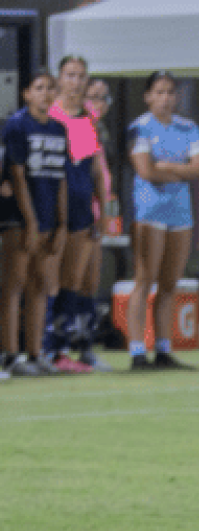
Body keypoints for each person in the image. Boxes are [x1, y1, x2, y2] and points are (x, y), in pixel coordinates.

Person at [126, 71, 199, 371]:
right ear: (148, 96)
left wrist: (170, 167)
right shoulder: (140, 127)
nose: (165, 98)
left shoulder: (188, 127)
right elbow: (146, 171)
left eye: (170, 92)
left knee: (169, 284)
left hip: (180, 213)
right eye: (159, 92)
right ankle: (137, 351)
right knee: (144, 280)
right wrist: (181, 169)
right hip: (150, 212)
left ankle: (163, 350)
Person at [45, 55, 110, 374]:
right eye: (70, 75)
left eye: (81, 76)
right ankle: (46, 350)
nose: (76, 81)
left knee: (76, 281)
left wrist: (103, 207)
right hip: (53, 209)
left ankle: (69, 348)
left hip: (82, 209)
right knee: (49, 280)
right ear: (60, 79)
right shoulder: (49, 115)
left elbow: (93, 169)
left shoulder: (87, 119)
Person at [2, 72, 67, 377]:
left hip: (49, 217)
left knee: (40, 285)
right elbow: (17, 174)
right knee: (14, 284)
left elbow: (62, 178)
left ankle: (35, 353)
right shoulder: (17, 125)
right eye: (39, 88)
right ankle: (10, 355)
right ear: (26, 93)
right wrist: (30, 221)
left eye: (50, 88)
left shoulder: (60, 129)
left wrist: (62, 223)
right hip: (20, 216)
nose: (45, 93)